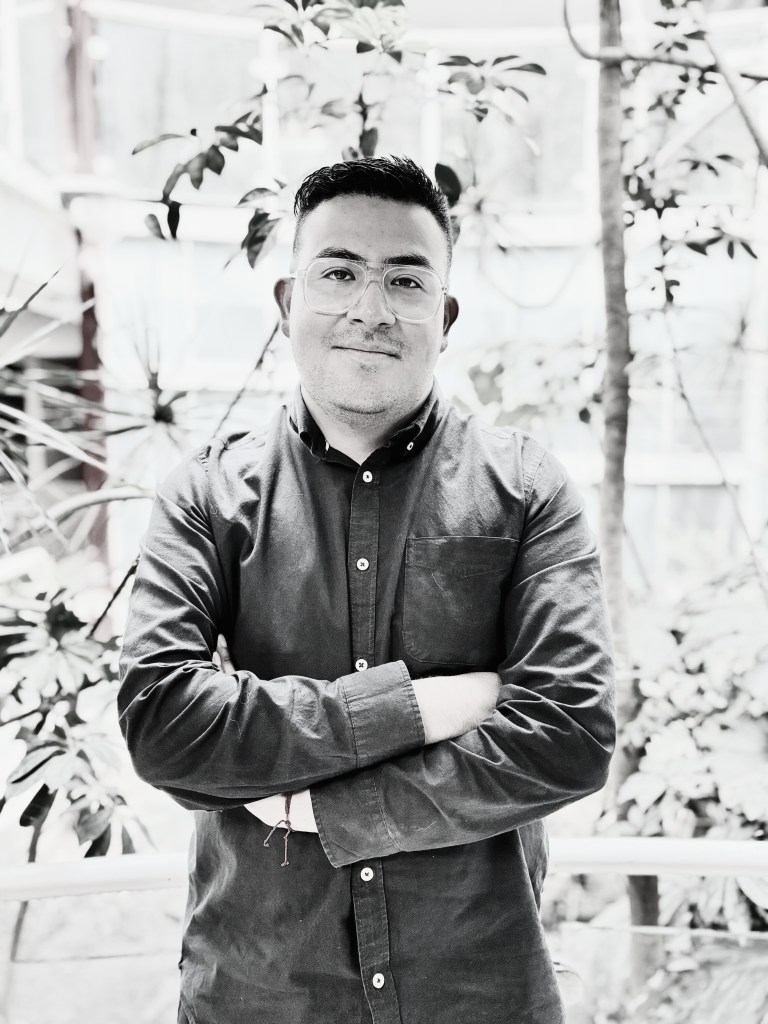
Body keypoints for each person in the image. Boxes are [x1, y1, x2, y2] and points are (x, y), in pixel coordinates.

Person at [118, 154, 616, 1024]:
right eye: (339, 273)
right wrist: (425, 707)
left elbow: (570, 732)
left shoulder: (528, 490)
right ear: (287, 303)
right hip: (259, 997)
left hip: (477, 996)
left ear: (445, 317)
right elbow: (164, 723)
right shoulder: (204, 497)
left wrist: (322, 807)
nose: (371, 309)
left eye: (406, 280)